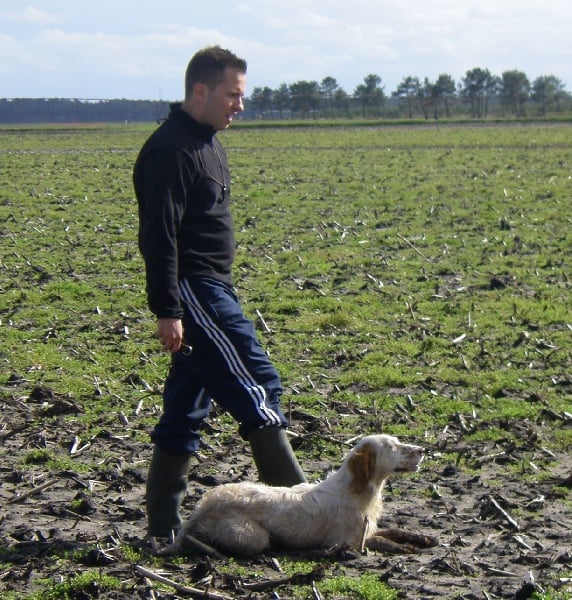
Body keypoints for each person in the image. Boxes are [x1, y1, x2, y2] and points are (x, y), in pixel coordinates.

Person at [133, 46, 306, 539]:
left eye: (242, 95)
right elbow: (159, 236)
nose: (240, 105)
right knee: (258, 383)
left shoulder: (206, 140)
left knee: (185, 408)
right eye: (233, 94)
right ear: (200, 90)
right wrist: (169, 309)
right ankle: (303, 516)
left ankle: (164, 529)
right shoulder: (171, 150)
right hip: (195, 290)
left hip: (211, 287)